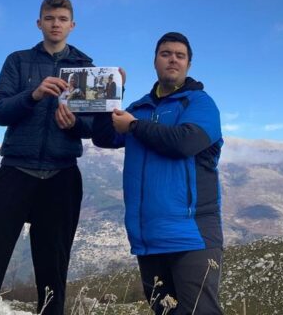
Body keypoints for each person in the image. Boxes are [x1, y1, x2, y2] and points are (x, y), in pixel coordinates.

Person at [0, 0, 111, 315]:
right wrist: (34, 94)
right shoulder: (18, 61)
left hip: (62, 173)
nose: (56, 24)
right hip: (16, 168)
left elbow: (93, 126)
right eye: (50, 18)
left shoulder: (86, 68)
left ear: (73, 25)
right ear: (39, 23)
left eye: (62, 19)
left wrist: (74, 125)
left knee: (54, 263)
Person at [88, 32, 224, 314]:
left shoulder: (200, 103)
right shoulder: (139, 108)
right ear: (155, 61)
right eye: (165, 54)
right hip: (148, 237)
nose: (172, 59)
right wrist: (113, 94)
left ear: (188, 64)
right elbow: (103, 137)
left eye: (180, 55)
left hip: (192, 235)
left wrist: (135, 127)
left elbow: (185, 142)